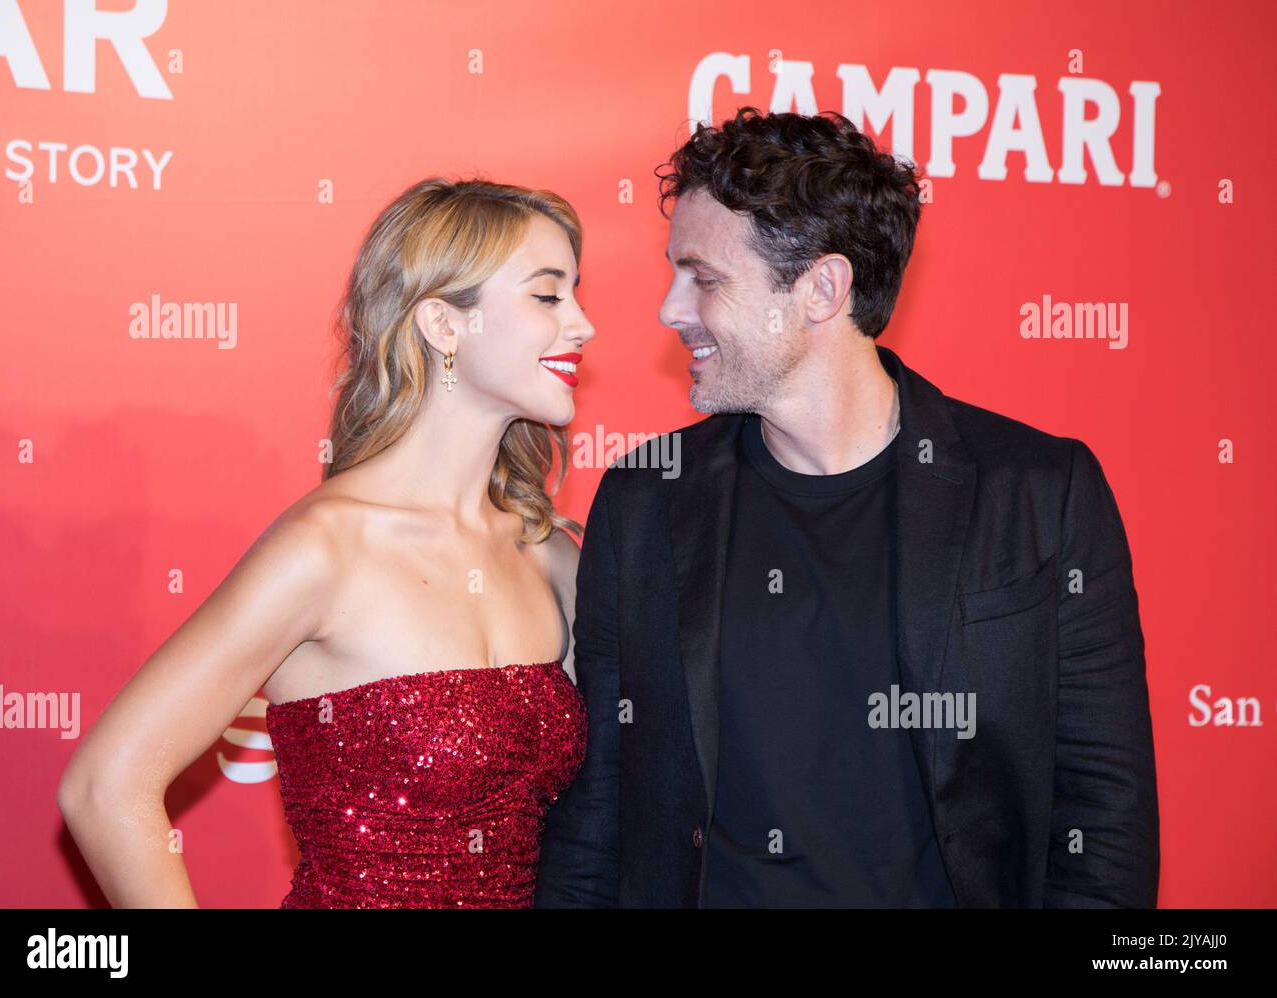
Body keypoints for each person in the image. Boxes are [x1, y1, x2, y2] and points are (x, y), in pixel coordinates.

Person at [534, 107, 1159, 908]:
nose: (669, 310)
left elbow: (1104, 815)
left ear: (822, 288)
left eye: (705, 278)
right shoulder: (643, 500)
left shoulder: (1039, 491)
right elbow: (599, 811)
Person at [58, 177, 596, 908]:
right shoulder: (325, 550)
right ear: (442, 324)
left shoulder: (551, 552)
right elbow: (105, 786)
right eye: (547, 295)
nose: (583, 325)